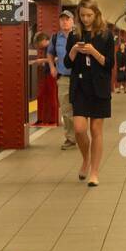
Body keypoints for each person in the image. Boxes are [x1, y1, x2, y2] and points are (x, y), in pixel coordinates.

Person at [67, 0, 115, 187]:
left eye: (89, 15)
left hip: (99, 87)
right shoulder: (75, 34)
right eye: (82, 15)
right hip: (80, 86)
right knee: (79, 129)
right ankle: (85, 158)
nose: (86, 19)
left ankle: (94, 171)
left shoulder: (106, 35)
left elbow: (109, 64)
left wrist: (94, 52)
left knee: (96, 130)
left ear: (96, 15)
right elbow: (67, 64)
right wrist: (73, 51)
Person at [47, 9, 76, 149]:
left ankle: (81, 134)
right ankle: (71, 138)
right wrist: (52, 67)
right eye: (62, 19)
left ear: (73, 21)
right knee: (66, 109)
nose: (64, 21)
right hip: (64, 78)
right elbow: (50, 53)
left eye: (67, 19)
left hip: (80, 77)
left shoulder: (79, 35)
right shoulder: (55, 37)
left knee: (81, 108)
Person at [31, 31, 59, 126]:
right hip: (48, 74)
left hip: (52, 74)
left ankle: (53, 120)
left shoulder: (52, 47)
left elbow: (56, 59)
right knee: (42, 96)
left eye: (38, 44)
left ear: (43, 40)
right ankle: (41, 119)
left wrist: (42, 60)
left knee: (51, 97)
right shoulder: (47, 48)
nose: (38, 46)